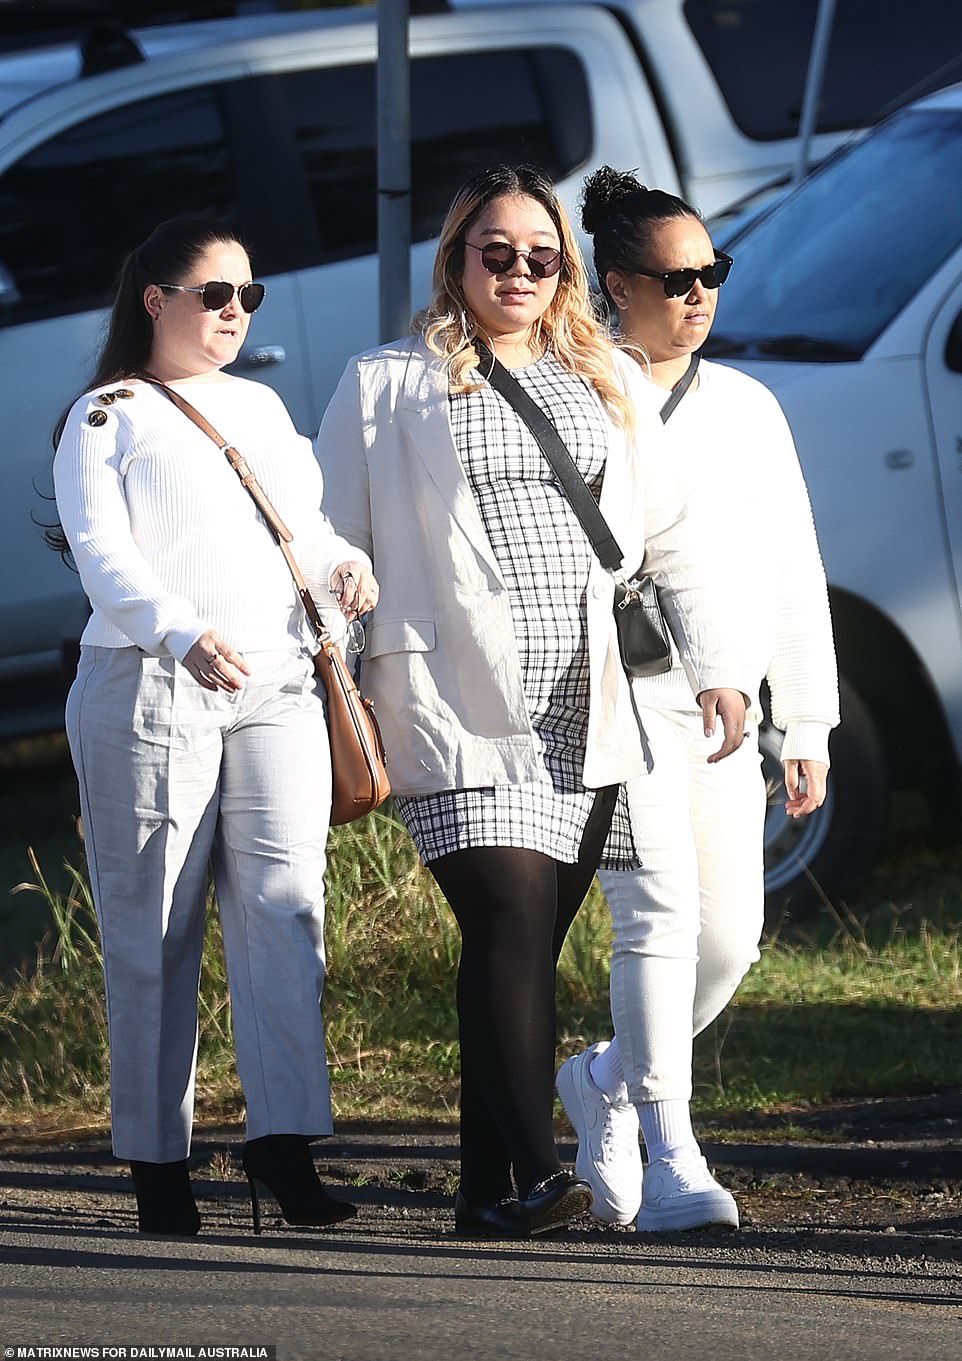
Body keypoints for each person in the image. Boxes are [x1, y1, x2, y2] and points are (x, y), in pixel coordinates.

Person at [315, 164, 749, 1239]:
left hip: (581, 700)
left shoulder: (605, 375)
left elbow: (672, 535)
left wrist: (718, 665)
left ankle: (479, 1190)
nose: (516, 271)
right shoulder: (384, 382)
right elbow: (325, 539)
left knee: (518, 950)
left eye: (538, 256)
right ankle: (534, 1173)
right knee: (506, 918)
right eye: (494, 253)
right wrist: (341, 655)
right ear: (455, 260)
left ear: (565, 268)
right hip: (448, 698)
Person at [52, 217, 378, 1236]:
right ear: (157, 300)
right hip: (150, 687)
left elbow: (305, 521)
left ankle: (283, 1144)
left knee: (286, 909)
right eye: (215, 294)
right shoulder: (109, 414)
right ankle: (159, 1160)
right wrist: (177, 632)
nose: (236, 312)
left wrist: (340, 561)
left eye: (250, 296)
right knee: (154, 927)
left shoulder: (262, 405)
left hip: (277, 681)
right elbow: (102, 552)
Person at [556, 167, 839, 1233]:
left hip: (723, 708)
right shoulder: (573, 388)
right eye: (676, 278)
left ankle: (604, 1081)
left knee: (728, 938)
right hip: (610, 696)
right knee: (654, 916)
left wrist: (802, 717)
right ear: (614, 284)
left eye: (711, 273)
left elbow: (790, 566)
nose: (699, 294)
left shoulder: (749, 405)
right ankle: (669, 1145)